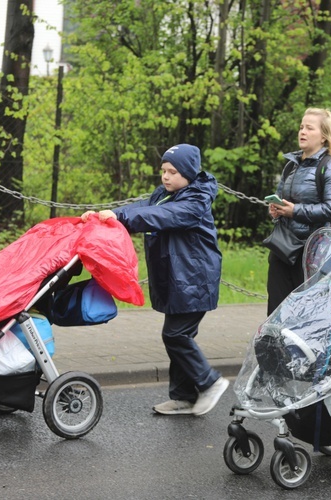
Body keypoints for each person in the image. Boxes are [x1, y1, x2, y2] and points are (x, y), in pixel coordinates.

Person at [81, 144, 228, 416]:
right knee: (180, 335)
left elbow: (161, 216)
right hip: (179, 279)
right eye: (163, 170)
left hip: (195, 280)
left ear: (189, 174)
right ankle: (183, 396)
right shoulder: (165, 194)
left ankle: (211, 382)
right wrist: (106, 218)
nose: (166, 176)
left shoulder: (194, 201)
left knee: (176, 335)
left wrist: (122, 216)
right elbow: (142, 207)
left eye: (173, 171)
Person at [266, 107, 331, 315]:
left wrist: (294, 211)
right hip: (283, 248)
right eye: (301, 127)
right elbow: (281, 197)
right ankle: (273, 348)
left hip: (313, 252)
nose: (302, 131)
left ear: (323, 136)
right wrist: (276, 209)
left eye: (309, 128)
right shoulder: (291, 165)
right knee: (276, 312)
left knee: (303, 315)